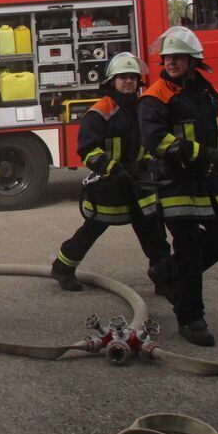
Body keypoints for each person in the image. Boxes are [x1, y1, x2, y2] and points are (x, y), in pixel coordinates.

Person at [139, 26, 218, 347]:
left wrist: (214, 158)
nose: (171, 62)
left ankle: (167, 272)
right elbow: (156, 140)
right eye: (167, 57)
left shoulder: (204, 90)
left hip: (209, 180)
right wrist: (202, 154)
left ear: (193, 60)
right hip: (176, 182)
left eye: (178, 57)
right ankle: (190, 317)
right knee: (189, 250)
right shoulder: (155, 96)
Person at [50, 53, 170, 291]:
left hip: (140, 183)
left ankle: (164, 277)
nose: (129, 82)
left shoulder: (142, 108)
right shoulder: (100, 112)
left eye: (133, 78)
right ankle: (62, 268)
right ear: (111, 81)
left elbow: (150, 141)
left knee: (154, 234)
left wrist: (148, 165)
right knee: (92, 229)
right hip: (110, 184)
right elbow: (87, 150)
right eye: (123, 77)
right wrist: (113, 170)